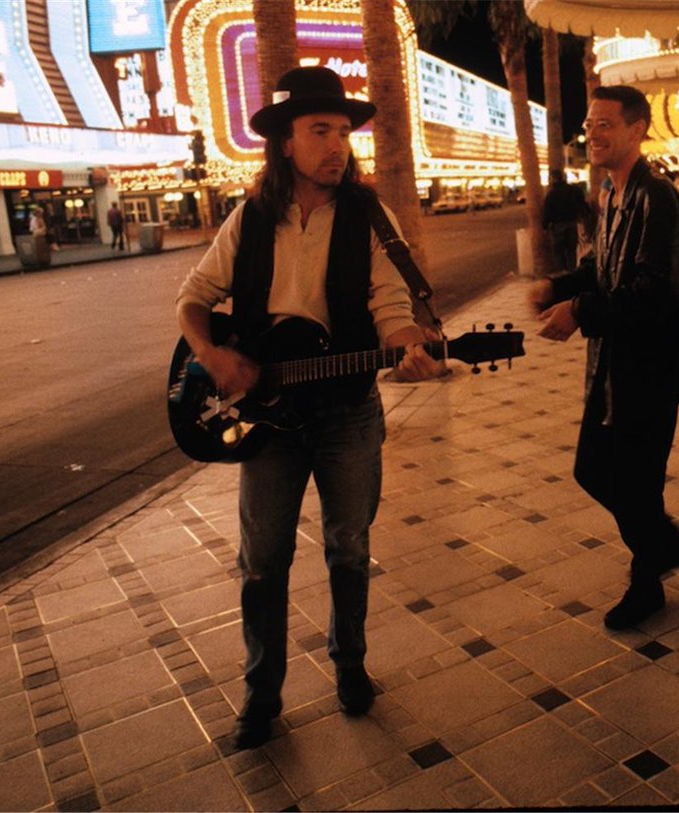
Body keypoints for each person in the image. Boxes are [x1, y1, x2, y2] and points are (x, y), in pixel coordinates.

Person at [175, 66, 442, 750]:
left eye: (343, 132)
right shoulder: (252, 217)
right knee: (262, 558)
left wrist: (407, 341)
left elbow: (391, 304)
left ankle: (350, 665)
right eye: (319, 131)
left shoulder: (366, 215)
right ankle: (261, 693)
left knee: (348, 547)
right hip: (269, 418)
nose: (337, 145)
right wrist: (212, 354)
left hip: (348, 410)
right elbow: (193, 297)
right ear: (285, 144)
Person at [530, 85, 679, 630]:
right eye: (590, 125)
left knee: (631, 479)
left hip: (650, 368)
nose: (594, 134)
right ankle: (658, 555)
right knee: (600, 470)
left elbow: (658, 292)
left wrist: (581, 311)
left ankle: (654, 567)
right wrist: (559, 286)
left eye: (606, 124)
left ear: (637, 130)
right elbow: (606, 272)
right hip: (616, 366)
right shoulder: (610, 195)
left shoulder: (656, 199)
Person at [541, 168, 589, 272]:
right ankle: (572, 273)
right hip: (572, 223)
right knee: (571, 251)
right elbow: (581, 203)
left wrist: (544, 226)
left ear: (552, 179)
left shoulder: (551, 194)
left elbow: (547, 211)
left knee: (559, 253)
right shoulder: (572, 190)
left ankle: (562, 274)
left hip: (558, 226)